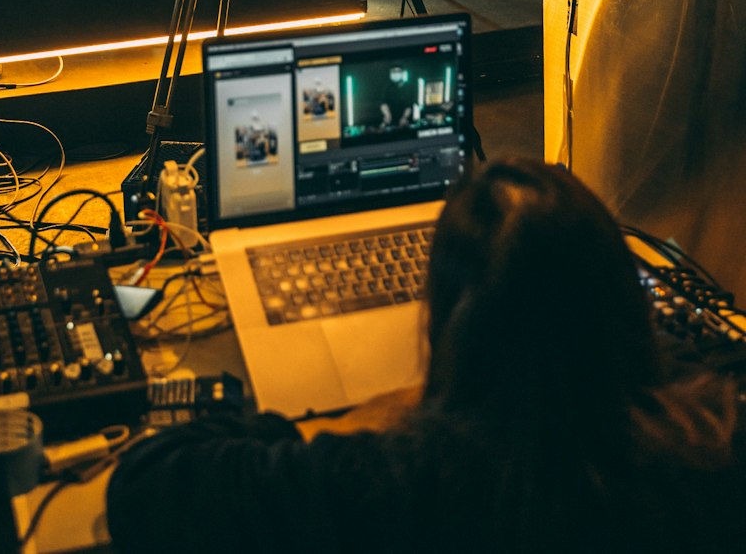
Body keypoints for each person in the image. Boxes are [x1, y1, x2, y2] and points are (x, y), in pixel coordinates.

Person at [106, 159, 745, 554]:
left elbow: (146, 486)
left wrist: (344, 421)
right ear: (622, 312)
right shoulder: (710, 452)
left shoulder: (391, 481)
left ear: (445, 327)